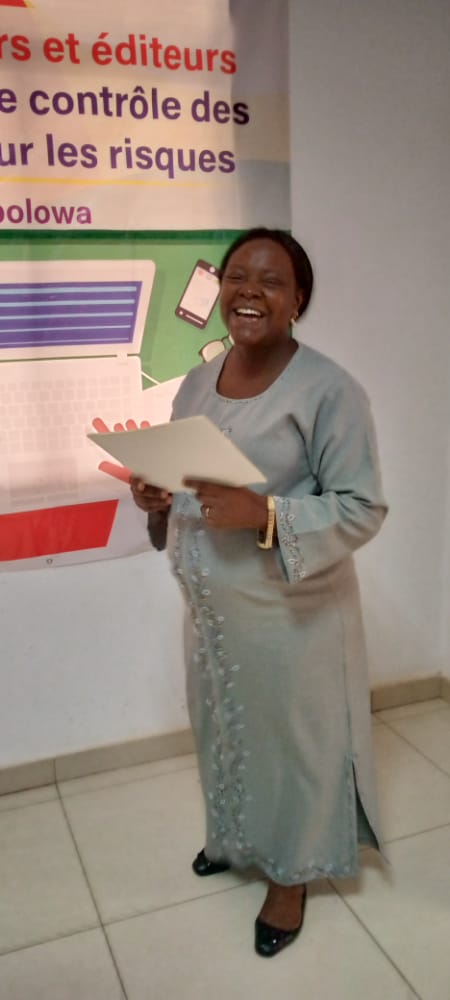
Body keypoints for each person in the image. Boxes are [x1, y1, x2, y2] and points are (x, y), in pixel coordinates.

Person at [130, 227, 388, 958]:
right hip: (214, 615)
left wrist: (267, 513)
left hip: (290, 618)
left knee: (292, 747)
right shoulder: (196, 381)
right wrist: (156, 494)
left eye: (271, 281)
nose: (249, 291)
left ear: (298, 299)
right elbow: (186, 476)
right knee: (224, 728)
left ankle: (291, 874)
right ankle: (236, 839)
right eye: (237, 276)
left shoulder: (331, 390)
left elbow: (362, 507)